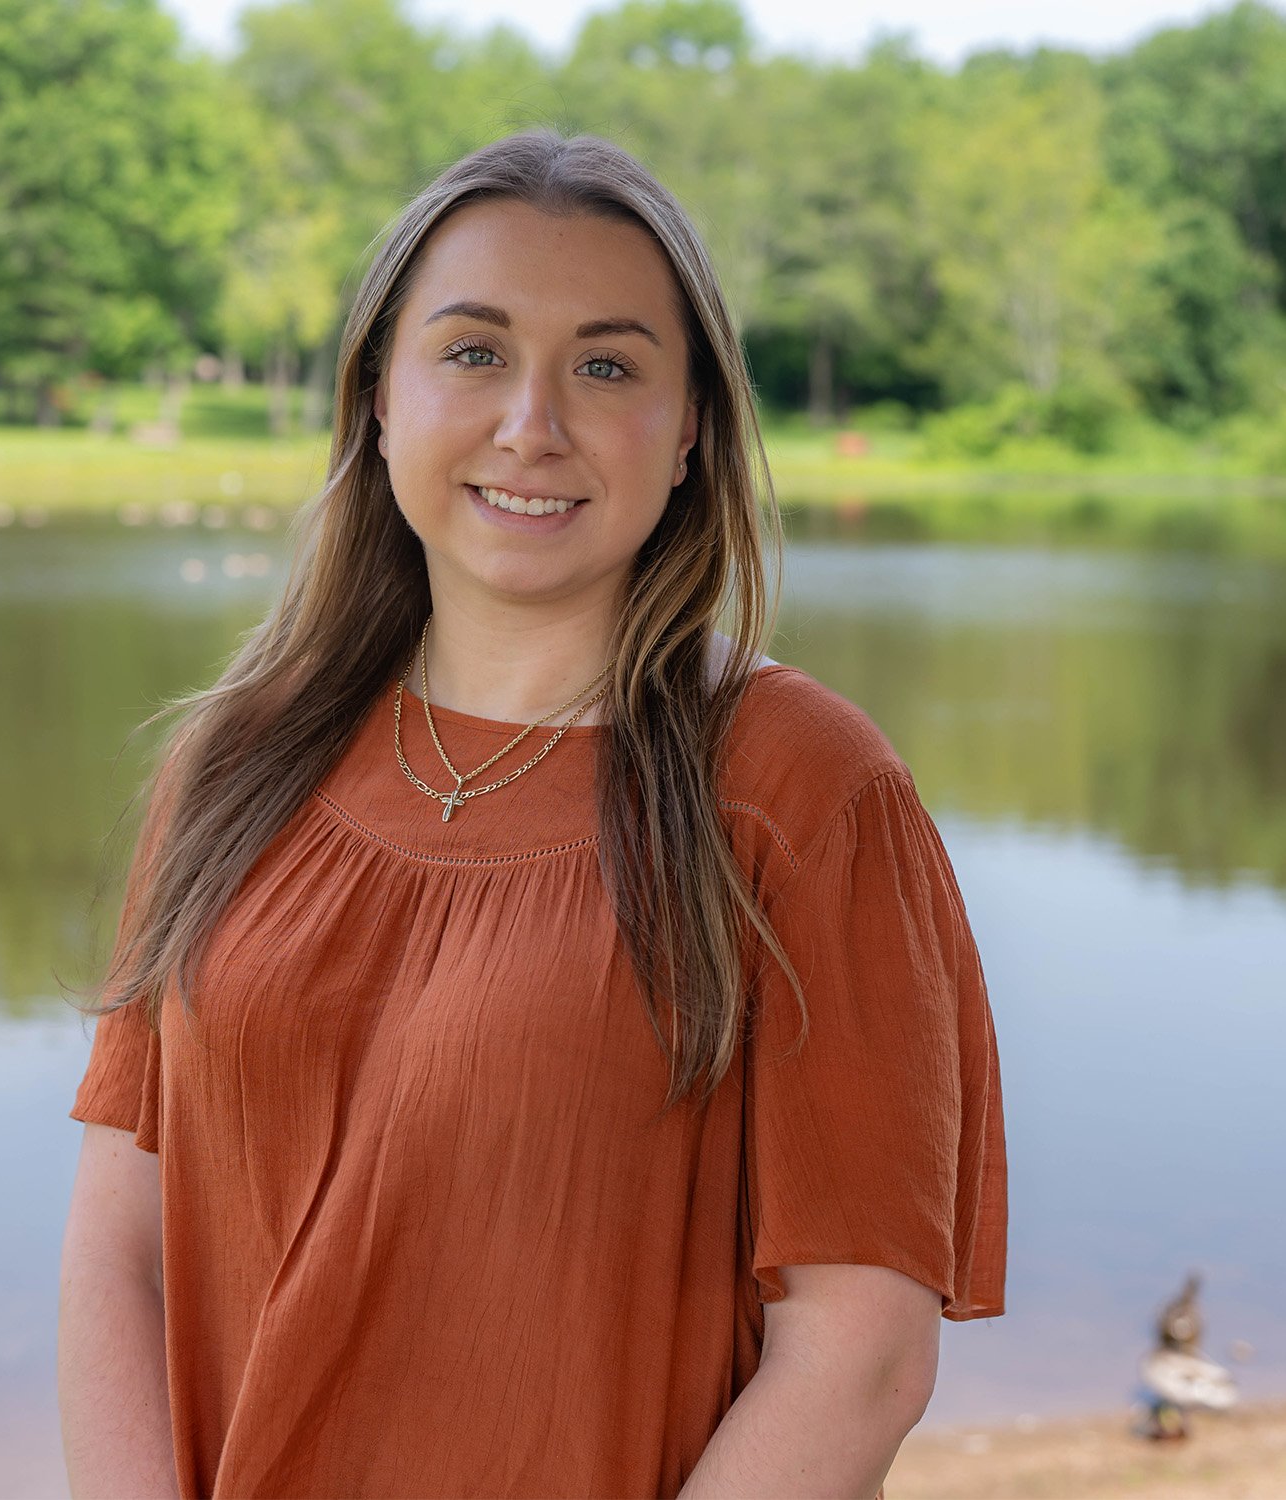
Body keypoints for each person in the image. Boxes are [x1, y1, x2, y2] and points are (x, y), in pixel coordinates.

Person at [57, 129, 1007, 1500]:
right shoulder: (236, 761)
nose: (531, 426)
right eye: (474, 352)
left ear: (690, 430)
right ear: (380, 393)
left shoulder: (803, 790)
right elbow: (118, 1252)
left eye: (608, 367)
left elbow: (859, 1357)